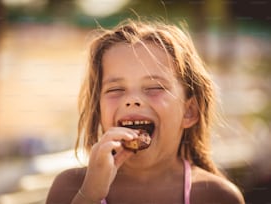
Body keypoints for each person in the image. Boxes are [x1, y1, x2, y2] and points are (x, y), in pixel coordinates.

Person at [46, 19, 245, 204]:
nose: (132, 100)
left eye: (154, 88)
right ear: (99, 109)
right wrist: (88, 196)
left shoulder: (216, 196)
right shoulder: (69, 189)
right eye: (115, 89)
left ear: (189, 111)